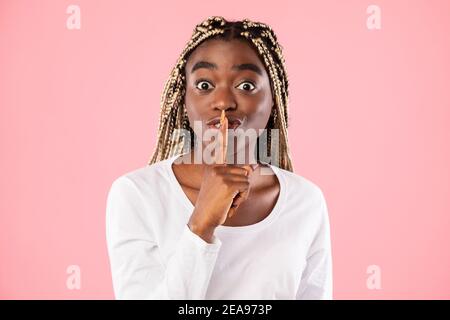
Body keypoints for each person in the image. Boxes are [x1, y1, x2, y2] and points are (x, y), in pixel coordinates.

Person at [106, 16, 333, 299]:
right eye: (204, 85)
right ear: (183, 99)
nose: (224, 101)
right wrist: (202, 223)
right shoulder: (137, 195)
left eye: (246, 85)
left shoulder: (306, 201)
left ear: (274, 98)